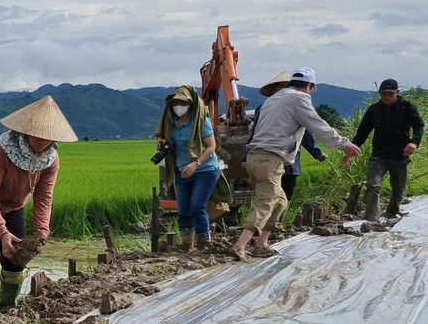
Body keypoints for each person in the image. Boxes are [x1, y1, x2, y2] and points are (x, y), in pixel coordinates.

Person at [0, 96, 77, 318]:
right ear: (26, 130)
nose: (42, 140)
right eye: (37, 134)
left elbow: (44, 196)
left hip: (14, 205)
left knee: (17, 253)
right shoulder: (1, 150)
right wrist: (2, 232)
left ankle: (7, 308)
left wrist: (42, 230)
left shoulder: (51, 160)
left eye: (47, 136)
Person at [235, 67, 361, 260]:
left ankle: (262, 244)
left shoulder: (272, 99)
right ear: (310, 86)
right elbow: (318, 126)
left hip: (255, 158)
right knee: (265, 203)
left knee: (281, 202)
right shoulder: (299, 99)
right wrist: (345, 145)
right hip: (271, 159)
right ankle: (240, 245)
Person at [249, 71, 327, 210]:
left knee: (284, 197)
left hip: (289, 160)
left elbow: (306, 133)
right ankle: (260, 229)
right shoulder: (265, 108)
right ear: (274, 89)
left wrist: (316, 152)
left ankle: (274, 227)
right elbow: (256, 133)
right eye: (283, 87)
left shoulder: (295, 104)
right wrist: (244, 157)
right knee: (269, 197)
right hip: (269, 158)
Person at [154, 85, 220, 250]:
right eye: (176, 102)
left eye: (183, 103)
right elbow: (169, 140)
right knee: (183, 210)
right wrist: (162, 143)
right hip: (183, 170)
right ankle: (186, 244)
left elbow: (211, 147)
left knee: (197, 207)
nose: (179, 106)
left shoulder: (201, 122)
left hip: (205, 170)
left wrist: (196, 163)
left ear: (191, 104)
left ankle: (204, 244)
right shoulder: (171, 123)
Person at [349, 78, 423, 220]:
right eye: (383, 94)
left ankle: (391, 212)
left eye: (390, 93)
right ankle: (372, 220)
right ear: (379, 93)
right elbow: (363, 131)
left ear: (397, 92)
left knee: (398, 190)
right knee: (372, 185)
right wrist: (351, 148)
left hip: (401, 156)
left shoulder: (407, 107)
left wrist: (414, 142)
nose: (387, 97)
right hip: (379, 156)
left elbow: (419, 126)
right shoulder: (374, 110)